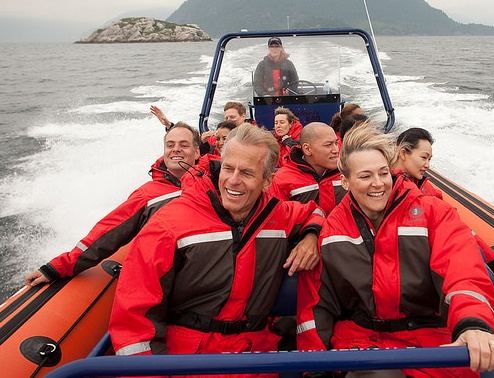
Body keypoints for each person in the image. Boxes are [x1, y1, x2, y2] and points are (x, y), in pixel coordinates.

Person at [109, 123, 325, 378]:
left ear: (267, 181)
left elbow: (315, 211)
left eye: (246, 172)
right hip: (188, 362)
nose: (233, 180)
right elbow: (133, 318)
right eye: (228, 168)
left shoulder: (278, 214)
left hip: (257, 357)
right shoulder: (170, 224)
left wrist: (310, 236)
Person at [296, 123, 494, 377]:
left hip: (433, 339)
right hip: (365, 343)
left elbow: (463, 271)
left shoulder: (433, 214)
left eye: (383, 173)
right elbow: (316, 304)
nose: (378, 184)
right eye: (365, 176)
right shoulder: (331, 232)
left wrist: (472, 324)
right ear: (345, 182)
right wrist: (314, 369)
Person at [25, 122, 201, 286]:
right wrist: (59, 266)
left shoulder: (217, 183)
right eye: (170, 145)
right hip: (176, 284)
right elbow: (108, 231)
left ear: (197, 152)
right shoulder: (148, 195)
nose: (176, 149)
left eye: (184, 145)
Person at [392, 127, 494, 271]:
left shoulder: (421, 186)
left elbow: (450, 220)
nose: (427, 165)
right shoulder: (398, 191)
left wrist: (488, 255)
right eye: (423, 158)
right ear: (403, 153)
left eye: (429, 159)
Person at [269, 122, 344, 216]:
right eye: (328, 145)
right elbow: (278, 218)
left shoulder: (347, 172)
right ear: (307, 149)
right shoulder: (281, 181)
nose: (336, 150)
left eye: (336, 143)